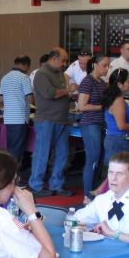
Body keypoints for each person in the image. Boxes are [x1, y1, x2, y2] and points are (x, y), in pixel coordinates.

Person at [30, 49, 75, 197]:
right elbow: (49, 93)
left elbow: (59, 93)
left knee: (62, 154)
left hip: (61, 119)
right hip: (46, 120)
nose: (65, 63)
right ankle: (36, 186)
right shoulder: (41, 74)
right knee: (42, 154)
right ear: (54, 58)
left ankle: (57, 185)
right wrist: (68, 90)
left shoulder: (60, 73)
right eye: (63, 60)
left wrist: (69, 94)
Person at [78, 55, 110, 201]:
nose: (107, 68)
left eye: (108, 66)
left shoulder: (102, 83)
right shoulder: (87, 82)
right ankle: (86, 195)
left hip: (100, 123)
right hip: (90, 123)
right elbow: (82, 106)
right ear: (95, 65)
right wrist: (102, 107)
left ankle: (94, 191)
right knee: (92, 159)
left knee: (99, 158)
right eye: (104, 65)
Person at [0, 56, 34, 168]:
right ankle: (12, 177)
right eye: (28, 67)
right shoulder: (24, 78)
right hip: (20, 118)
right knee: (17, 150)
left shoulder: (4, 77)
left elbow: (1, 100)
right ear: (25, 65)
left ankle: (9, 175)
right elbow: (30, 99)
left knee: (11, 148)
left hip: (8, 118)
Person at [103, 68, 129, 164]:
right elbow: (121, 126)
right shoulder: (118, 100)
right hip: (119, 140)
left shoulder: (115, 98)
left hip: (116, 139)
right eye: (128, 81)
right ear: (119, 85)